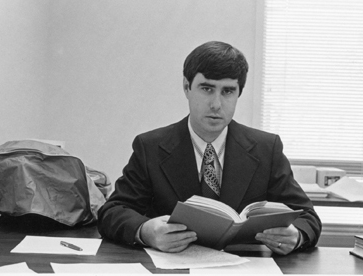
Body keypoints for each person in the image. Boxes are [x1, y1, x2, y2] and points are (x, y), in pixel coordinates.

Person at [98, 41, 321, 255]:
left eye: (227, 91)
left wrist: (297, 236)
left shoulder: (266, 149)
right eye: (207, 88)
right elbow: (112, 212)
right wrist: (146, 231)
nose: (216, 104)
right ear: (187, 87)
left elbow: (308, 217)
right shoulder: (151, 147)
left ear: (238, 93)